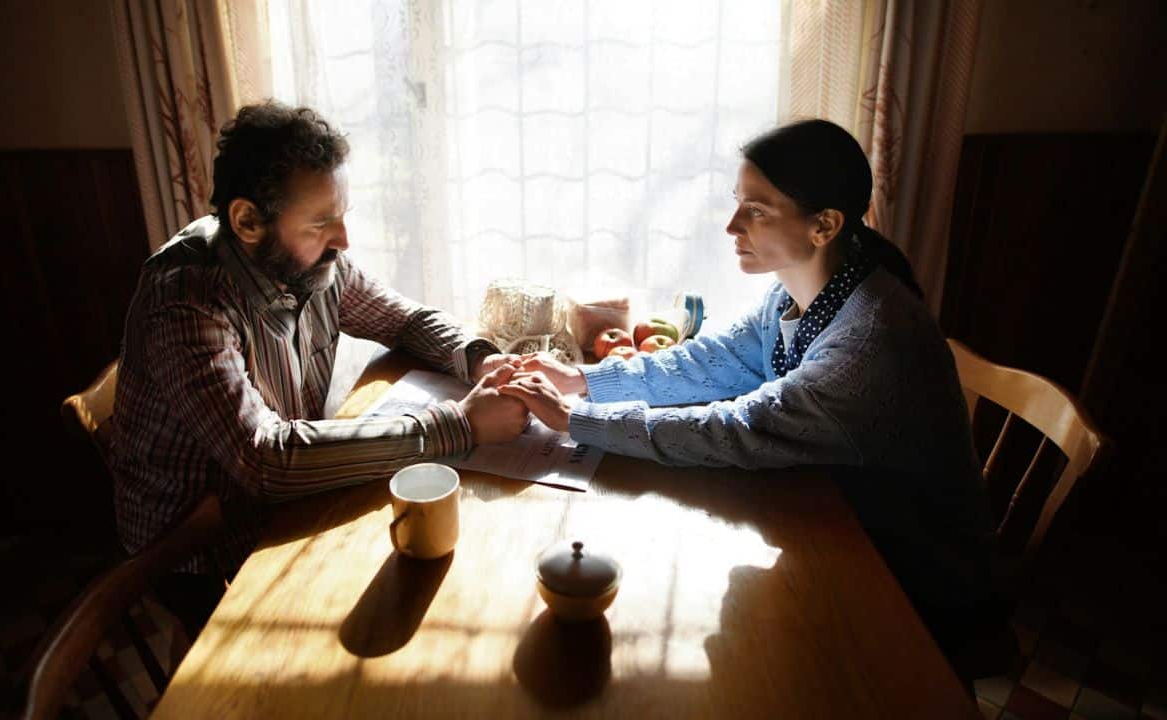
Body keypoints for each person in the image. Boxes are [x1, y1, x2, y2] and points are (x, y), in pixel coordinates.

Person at [500, 119, 994, 665]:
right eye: (739, 203)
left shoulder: (870, 342)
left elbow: (738, 430)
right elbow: (715, 359)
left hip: (907, 583)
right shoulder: (807, 286)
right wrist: (587, 380)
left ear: (824, 226)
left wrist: (579, 419)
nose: (733, 225)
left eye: (757, 210)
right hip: (834, 521)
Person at [109, 101, 527, 636]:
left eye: (342, 213)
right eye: (322, 221)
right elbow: (265, 461)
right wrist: (461, 425)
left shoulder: (309, 262)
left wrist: (480, 358)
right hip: (199, 549)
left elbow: (403, 320)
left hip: (280, 502)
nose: (344, 239)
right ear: (247, 221)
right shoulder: (187, 303)